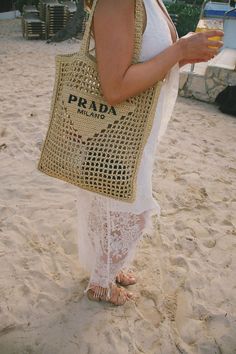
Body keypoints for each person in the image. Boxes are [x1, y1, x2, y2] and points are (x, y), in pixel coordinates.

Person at [76, 0, 224, 306]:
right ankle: (100, 283)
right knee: (133, 210)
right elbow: (114, 88)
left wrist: (185, 54)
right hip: (117, 128)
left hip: (139, 129)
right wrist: (180, 50)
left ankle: (106, 269)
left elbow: (147, 60)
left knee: (114, 204)